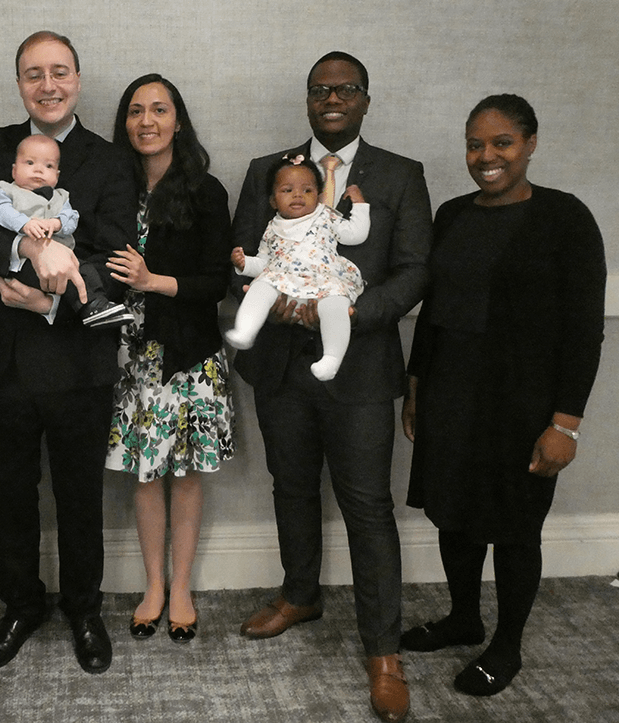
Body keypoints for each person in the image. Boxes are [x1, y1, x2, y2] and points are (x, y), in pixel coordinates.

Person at [231, 51, 432, 723]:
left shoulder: (401, 176)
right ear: (307, 100)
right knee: (290, 485)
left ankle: (383, 652)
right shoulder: (266, 170)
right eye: (320, 89)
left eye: (345, 88)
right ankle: (300, 593)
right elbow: (241, 259)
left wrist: (338, 311)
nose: (332, 98)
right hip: (283, 368)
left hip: (362, 369)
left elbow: (411, 272)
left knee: (368, 504)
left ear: (366, 99)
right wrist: (266, 294)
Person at [0, 30, 136, 675]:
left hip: (80, 358)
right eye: (33, 74)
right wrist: (26, 249)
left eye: (59, 72)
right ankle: (20, 605)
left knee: (81, 496)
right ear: (19, 82)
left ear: (78, 78)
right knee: (10, 495)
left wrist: (50, 300)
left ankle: (83, 607)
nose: (47, 85)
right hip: (0, 364)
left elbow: (112, 251)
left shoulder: (108, 160)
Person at [400, 94, 605, 697]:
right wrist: (416, 387)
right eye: (474, 144)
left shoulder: (566, 219)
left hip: (522, 407)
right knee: (454, 517)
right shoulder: (454, 215)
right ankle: (464, 617)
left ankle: (507, 644)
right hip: (450, 394)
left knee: (515, 528)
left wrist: (565, 424)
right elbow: (433, 312)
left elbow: (583, 329)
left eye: (501, 143)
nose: (485, 156)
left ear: (531, 144)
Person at [105, 73, 236, 643]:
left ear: (178, 121)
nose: (147, 121)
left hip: (188, 357)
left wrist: (154, 281)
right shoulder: (110, 187)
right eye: (136, 111)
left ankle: (180, 587)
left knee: (184, 477)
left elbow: (216, 283)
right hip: (129, 358)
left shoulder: (206, 192)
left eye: (160, 110)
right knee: (144, 473)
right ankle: (152, 585)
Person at [227, 153, 369, 382]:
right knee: (260, 287)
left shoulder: (326, 217)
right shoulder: (272, 228)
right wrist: (245, 264)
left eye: (307, 190)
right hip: (284, 284)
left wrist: (360, 205)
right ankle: (246, 330)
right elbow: (264, 263)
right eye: (287, 190)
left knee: (336, 306)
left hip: (324, 281)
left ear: (320, 197)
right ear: (273, 200)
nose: (298, 195)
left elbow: (356, 234)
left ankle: (331, 358)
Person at [0, 133, 132, 328]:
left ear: (56, 176)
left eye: (48, 166)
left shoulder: (61, 197)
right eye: (30, 163)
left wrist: (57, 224)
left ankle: (96, 304)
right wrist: (24, 224)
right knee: (64, 278)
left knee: (85, 270)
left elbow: (72, 219)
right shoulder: (6, 190)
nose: (39, 170)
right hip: (25, 264)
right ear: (14, 171)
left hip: (66, 260)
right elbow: (0, 211)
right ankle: (88, 306)